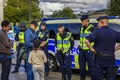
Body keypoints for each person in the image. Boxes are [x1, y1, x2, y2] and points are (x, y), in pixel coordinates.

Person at [85, 16, 120, 80]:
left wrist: (91, 49)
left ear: (102, 22)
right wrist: (115, 49)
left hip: (99, 58)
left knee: (98, 77)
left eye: (98, 23)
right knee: (111, 77)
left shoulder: (97, 32)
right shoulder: (114, 32)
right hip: (110, 58)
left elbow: (86, 41)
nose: (98, 25)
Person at [79, 15, 95, 80]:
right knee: (82, 68)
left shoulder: (92, 28)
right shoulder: (81, 28)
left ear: (86, 21)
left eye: (82, 21)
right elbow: (81, 39)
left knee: (91, 68)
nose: (81, 22)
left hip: (89, 52)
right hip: (82, 51)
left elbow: (96, 39)